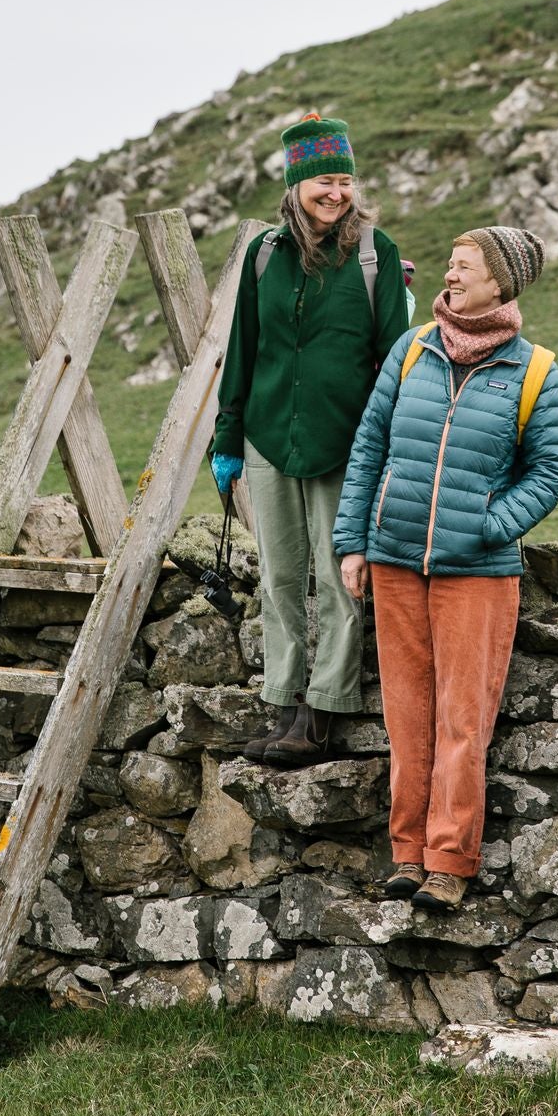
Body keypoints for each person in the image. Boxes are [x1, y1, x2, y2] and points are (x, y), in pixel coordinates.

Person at [332, 226, 558, 910]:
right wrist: (354, 542)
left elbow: (548, 472)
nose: (450, 274)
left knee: (463, 723)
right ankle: (406, 855)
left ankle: (448, 862)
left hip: (478, 575)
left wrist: (483, 527)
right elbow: (369, 445)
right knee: (407, 719)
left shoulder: (534, 371)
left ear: (500, 281)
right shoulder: (411, 351)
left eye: (464, 266)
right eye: (451, 265)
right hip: (395, 562)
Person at [211, 114, 410, 766]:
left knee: (337, 575)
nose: (336, 193)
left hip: (344, 441)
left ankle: (322, 710)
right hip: (270, 433)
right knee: (279, 574)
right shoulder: (263, 255)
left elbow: (392, 360)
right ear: (296, 184)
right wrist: (228, 436)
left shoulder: (374, 254)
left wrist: (381, 446)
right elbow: (242, 346)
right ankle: (282, 700)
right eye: (325, 180)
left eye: (345, 181)